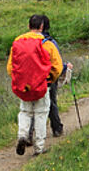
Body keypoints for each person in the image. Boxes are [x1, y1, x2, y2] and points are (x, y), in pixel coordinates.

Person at [8, 14, 63, 156]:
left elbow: (10, 67)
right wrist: (50, 80)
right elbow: (57, 67)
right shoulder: (47, 43)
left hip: (23, 85)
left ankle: (22, 135)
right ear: (42, 27)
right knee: (41, 114)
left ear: (28, 26)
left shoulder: (18, 41)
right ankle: (39, 148)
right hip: (42, 84)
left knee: (25, 112)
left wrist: (19, 79)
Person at [39, 19, 72, 139]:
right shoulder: (50, 43)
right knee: (51, 102)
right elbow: (56, 63)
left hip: (31, 79)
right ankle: (57, 129)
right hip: (49, 77)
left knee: (32, 105)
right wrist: (65, 67)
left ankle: (29, 134)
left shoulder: (27, 41)